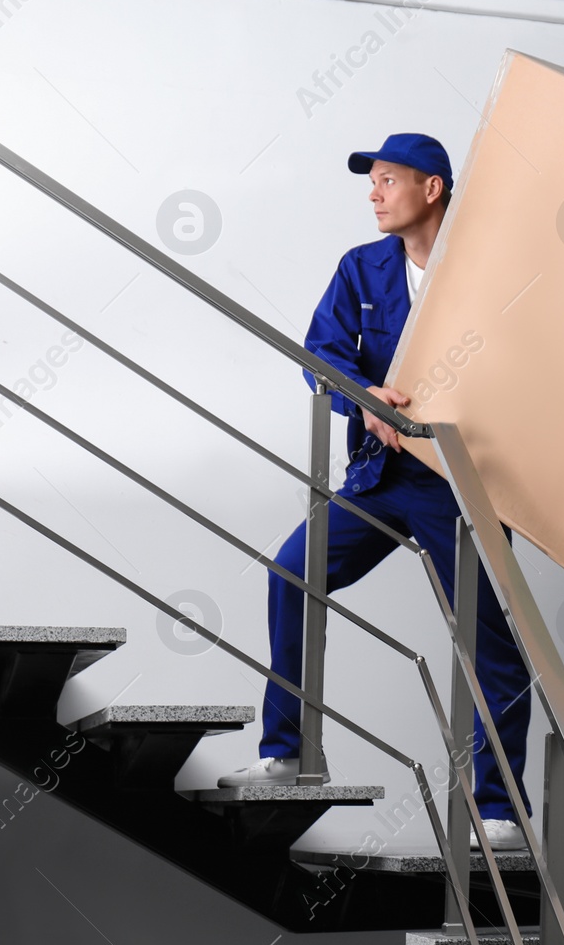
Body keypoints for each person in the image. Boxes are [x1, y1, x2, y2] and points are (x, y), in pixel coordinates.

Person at [218, 133, 535, 851]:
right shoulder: (361, 270)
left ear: (433, 189)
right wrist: (361, 395)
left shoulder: (487, 274)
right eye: (373, 181)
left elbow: (531, 371)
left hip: (461, 482)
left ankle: (501, 805)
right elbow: (320, 355)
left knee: (487, 644)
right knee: (294, 572)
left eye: (388, 179)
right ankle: (288, 750)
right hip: (379, 476)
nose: (374, 192)